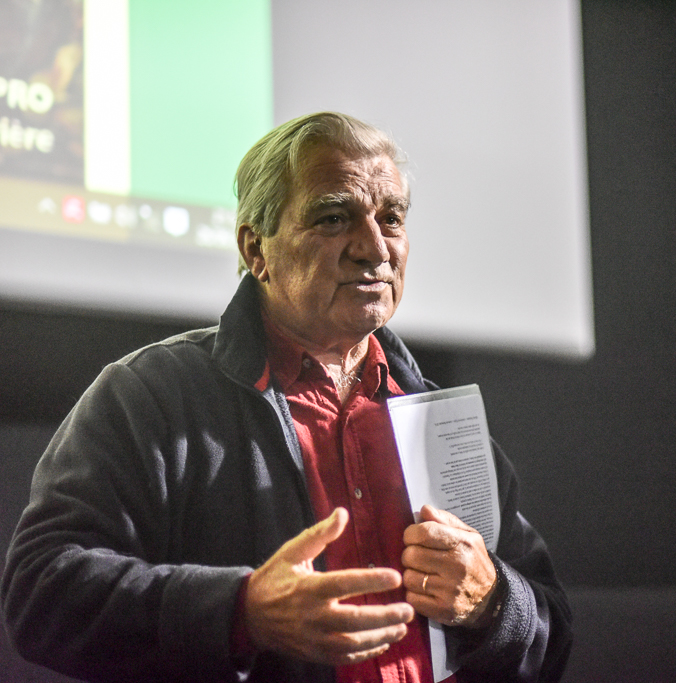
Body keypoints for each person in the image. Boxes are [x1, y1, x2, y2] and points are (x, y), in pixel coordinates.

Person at [1, 112, 572, 683]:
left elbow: (554, 637)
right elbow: (41, 592)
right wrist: (243, 612)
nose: (374, 248)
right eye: (333, 218)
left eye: (392, 218)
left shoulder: (441, 422)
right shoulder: (149, 396)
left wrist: (494, 602)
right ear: (256, 250)